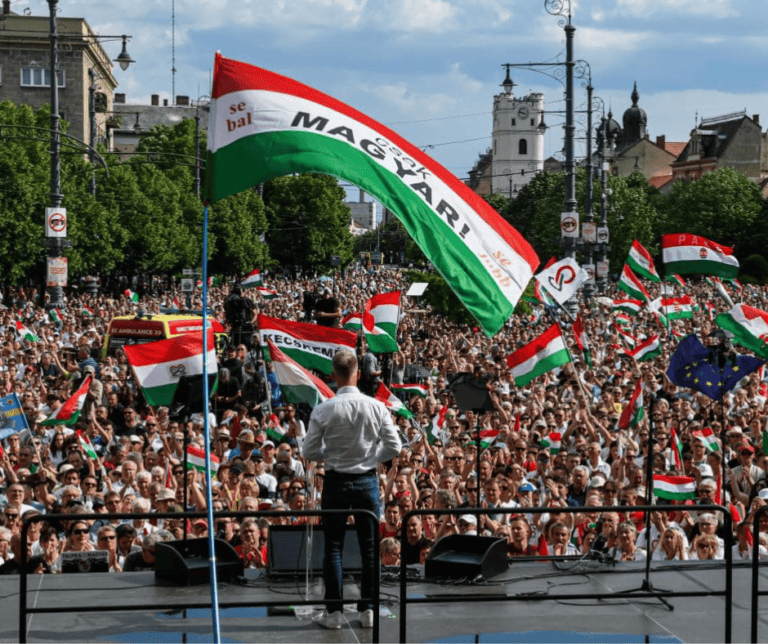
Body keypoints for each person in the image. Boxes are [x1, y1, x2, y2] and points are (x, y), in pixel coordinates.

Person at [301, 349, 401, 630]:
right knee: (369, 549)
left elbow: (309, 450)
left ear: (333, 375)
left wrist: (333, 452)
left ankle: (333, 613)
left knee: (333, 547)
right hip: (366, 480)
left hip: (335, 481)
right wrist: (369, 456)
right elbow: (394, 447)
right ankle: (368, 610)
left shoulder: (323, 409)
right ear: (357, 373)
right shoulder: (376, 407)